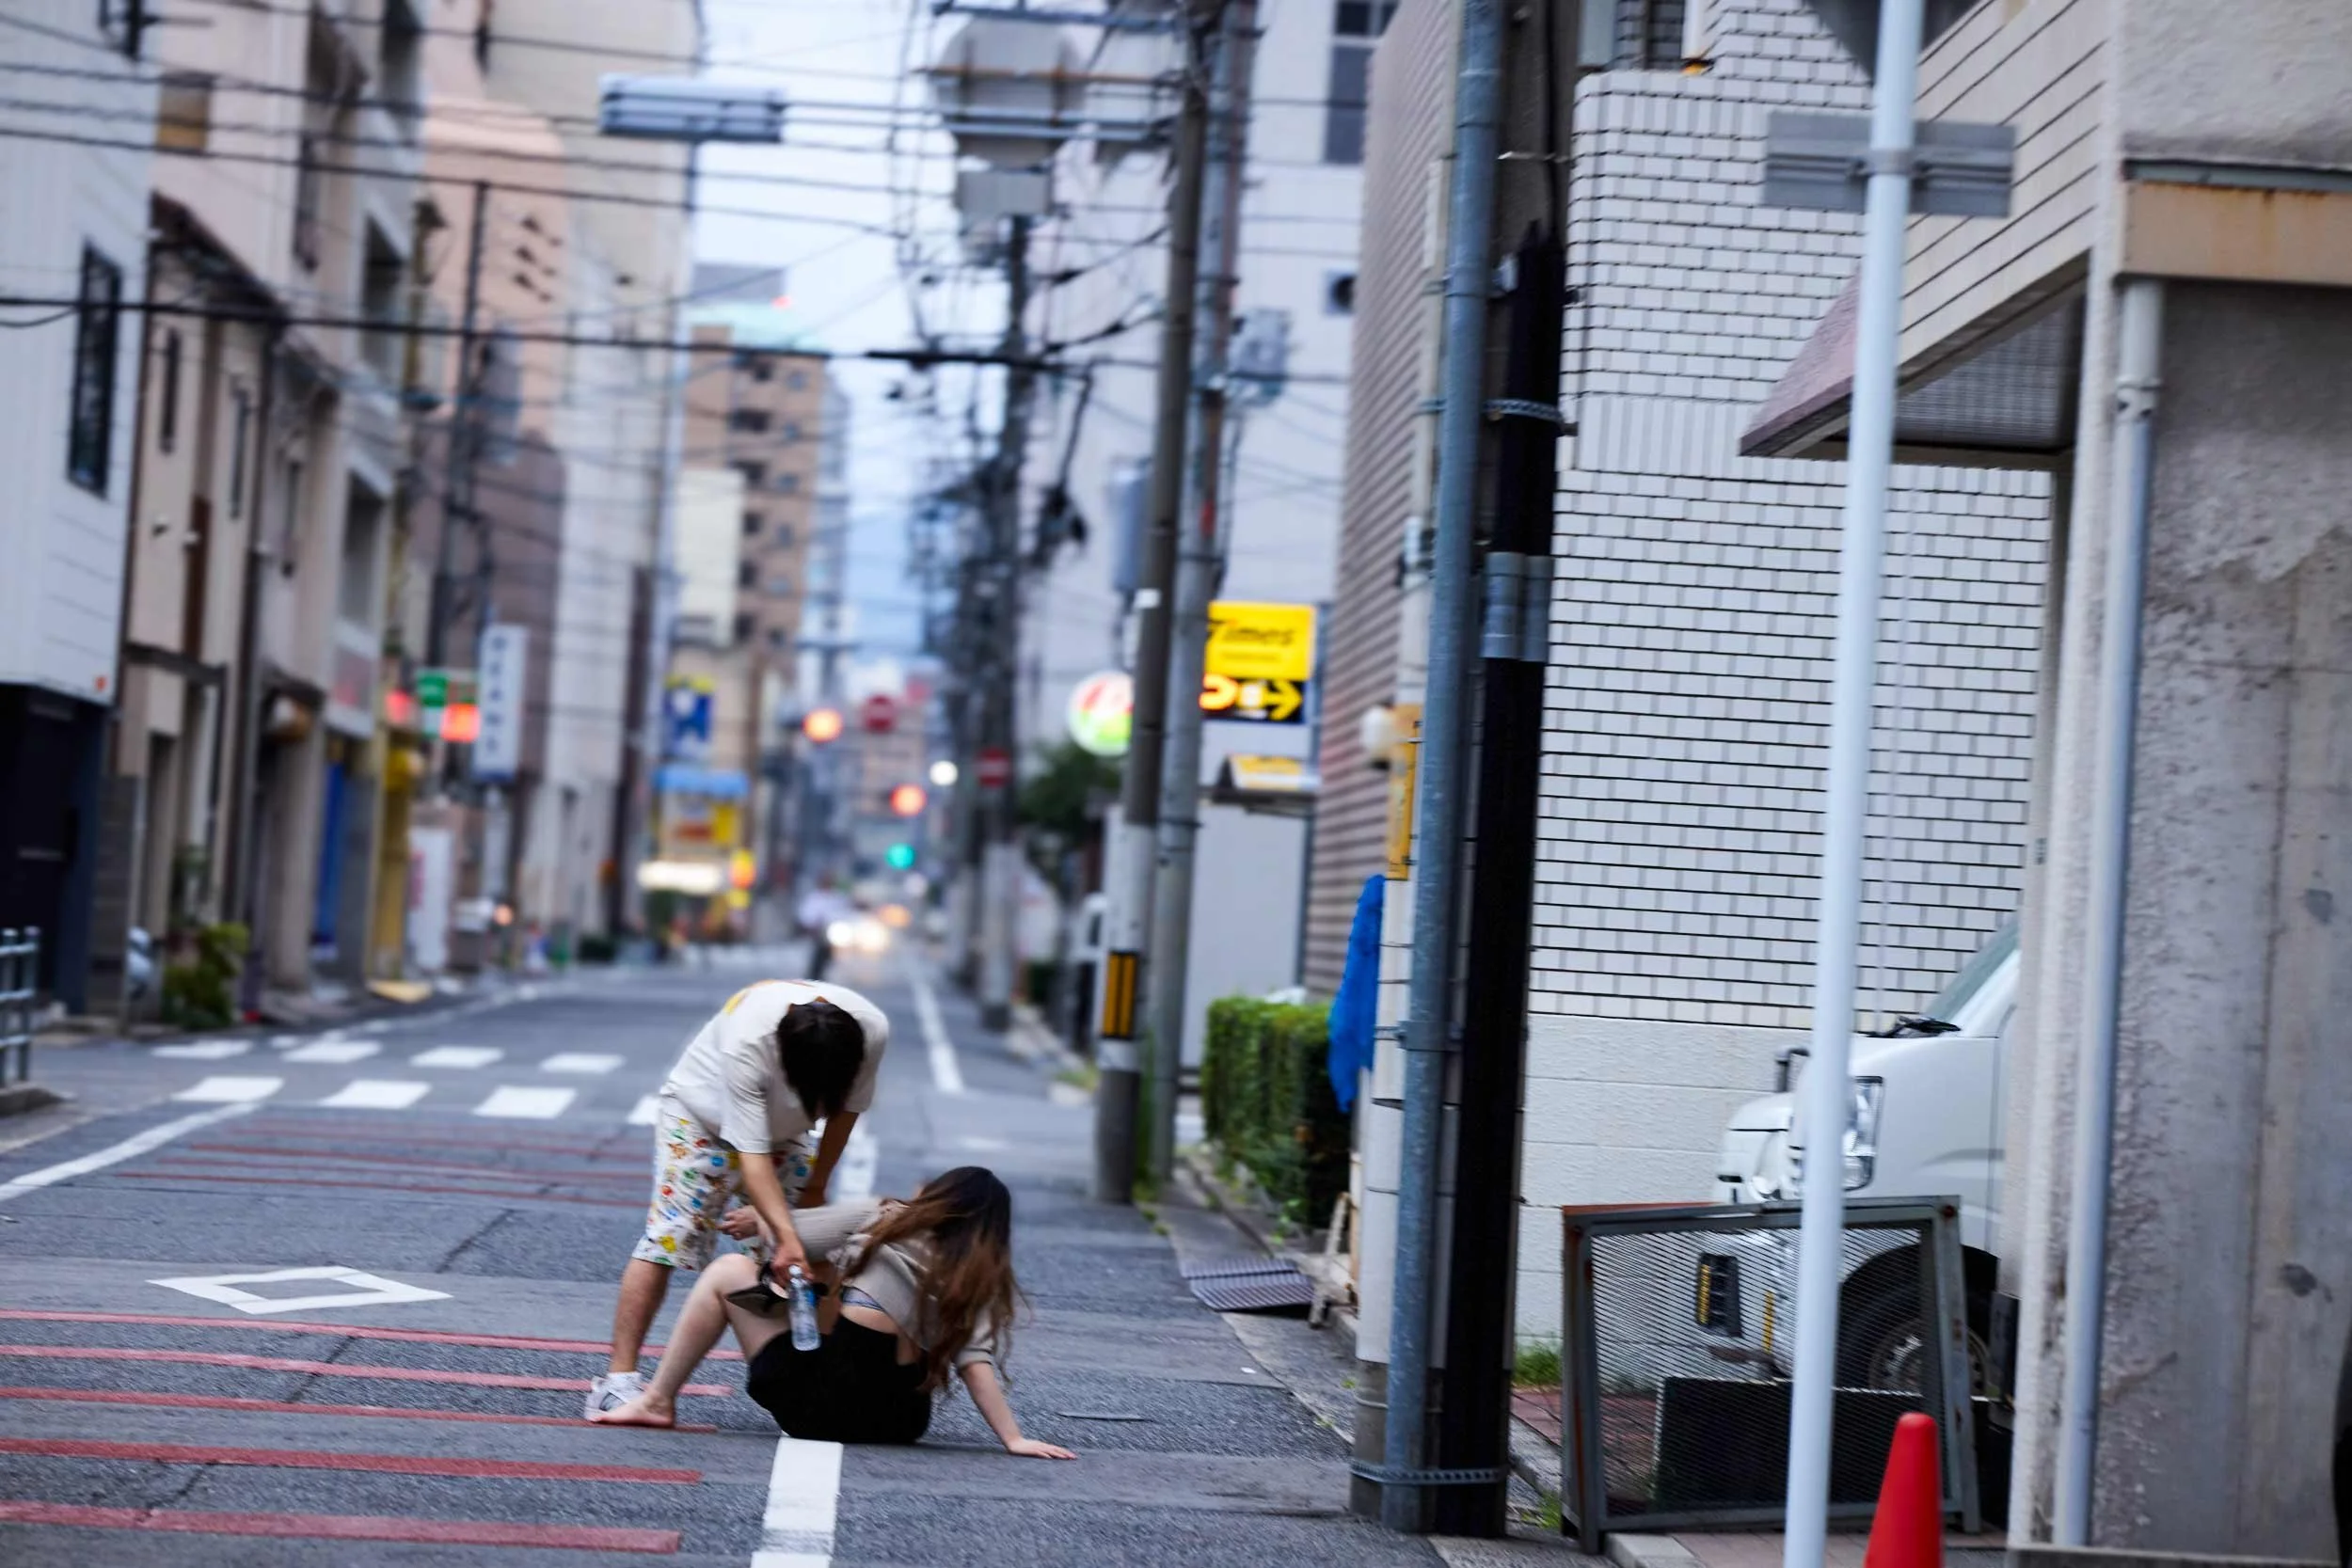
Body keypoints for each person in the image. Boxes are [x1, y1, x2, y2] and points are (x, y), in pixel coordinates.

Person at [592, 1167, 1075, 1461]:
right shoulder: (979, 1278)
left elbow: (791, 1236)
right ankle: (658, 1400)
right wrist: (1013, 1438)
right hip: (901, 1422)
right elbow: (976, 1362)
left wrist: (759, 1219)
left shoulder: (888, 1214)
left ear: (938, 1197)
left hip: (822, 1407)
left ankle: (657, 1400)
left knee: (728, 1271)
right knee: (825, 1273)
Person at [585, 977, 889, 1416]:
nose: (821, 1106)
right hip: (699, 1116)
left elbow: (846, 1115)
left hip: (784, 1134)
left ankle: (825, 1375)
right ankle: (618, 1380)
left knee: (811, 1241)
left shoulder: (869, 1032)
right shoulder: (749, 1040)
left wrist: (814, 1192)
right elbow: (753, 1157)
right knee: (671, 1236)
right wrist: (783, 1234)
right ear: (785, 1066)